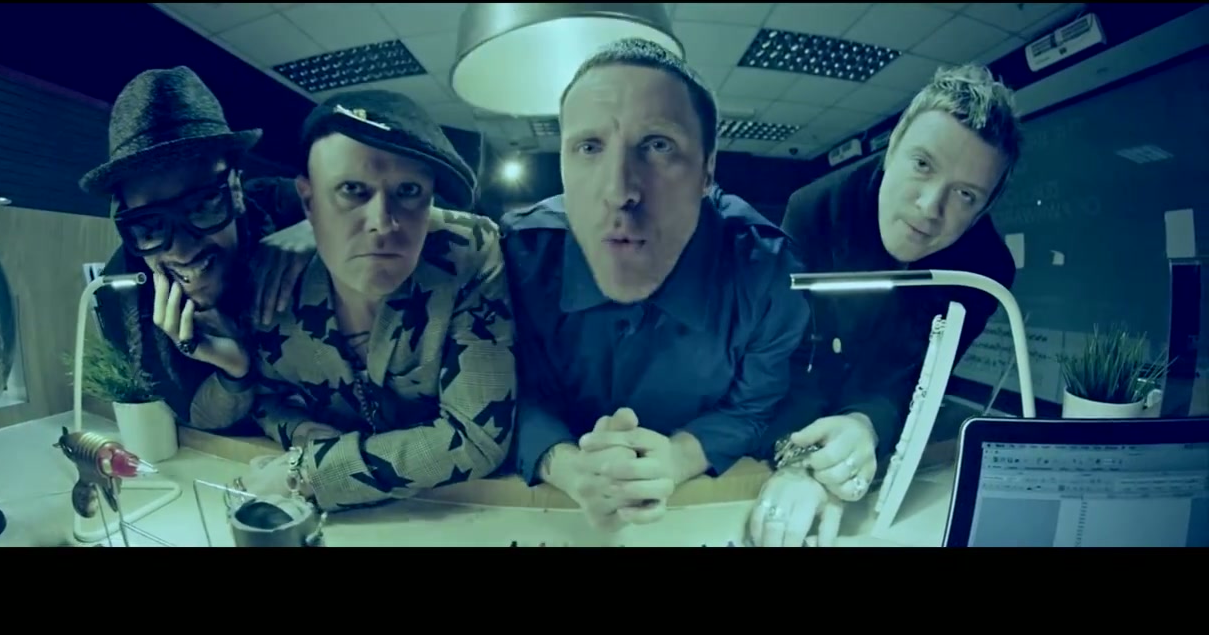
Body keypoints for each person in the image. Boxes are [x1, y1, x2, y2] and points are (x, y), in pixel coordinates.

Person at [503, 38, 811, 530]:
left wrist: (678, 458)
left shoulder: (767, 270)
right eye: (589, 147)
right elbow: (503, 392)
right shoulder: (517, 257)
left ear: (707, 170)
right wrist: (564, 464)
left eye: (658, 145)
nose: (619, 191)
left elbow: (753, 406)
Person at [747, 63, 1022, 547]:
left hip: (888, 417)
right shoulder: (814, 209)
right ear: (891, 148)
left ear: (984, 208)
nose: (929, 207)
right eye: (922, 164)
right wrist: (804, 461)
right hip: (801, 392)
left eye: (964, 194)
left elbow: (923, 376)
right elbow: (788, 357)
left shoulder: (987, 268)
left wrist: (866, 426)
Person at [229, 91, 516, 513]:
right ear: (308, 201)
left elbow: (477, 437)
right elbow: (263, 398)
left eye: (409, 190)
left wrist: (310, 471)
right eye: (352, 190)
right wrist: (301, 430)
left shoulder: (465, 252)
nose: (383, 223)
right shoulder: (273, 281)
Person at [81, 66, 316, 433]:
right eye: (149, 224)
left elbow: (401, 213)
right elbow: (197, 416)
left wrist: (324, 228)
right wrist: (233, 370)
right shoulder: (126, 294)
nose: (182, 250)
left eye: (203, 205)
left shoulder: (285, 204)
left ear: (236, 189)